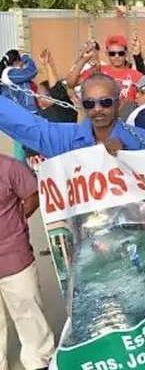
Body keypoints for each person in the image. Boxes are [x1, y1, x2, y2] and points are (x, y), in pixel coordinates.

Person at [0, 73, 145, 157]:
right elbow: (29, 127)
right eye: (89, 103)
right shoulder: (66, 138)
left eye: (105, 102)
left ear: (118, 103)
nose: (97, 109)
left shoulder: (141, 139)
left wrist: (125, 155)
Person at [0, 154, 55, 370]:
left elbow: (33, 193)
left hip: (14, 255)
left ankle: (39, 360)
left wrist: (17, 223)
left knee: (28, 310)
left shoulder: (8, 167)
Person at [68, 36, 143, 102]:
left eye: (120, 53)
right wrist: (83, 60)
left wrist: (138, 57)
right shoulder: (99, 70)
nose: (116, 56)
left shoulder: (135, 74)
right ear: (106, 54)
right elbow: (71, 83)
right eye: (112, 54)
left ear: (126, 53)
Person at [36, 49, 77, 123]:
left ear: (50, 95)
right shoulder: (41, 114)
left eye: (40, 95)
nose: (37, 98)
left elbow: (56, 89)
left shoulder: (64, 109)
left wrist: (48, 65)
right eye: (37, 95)